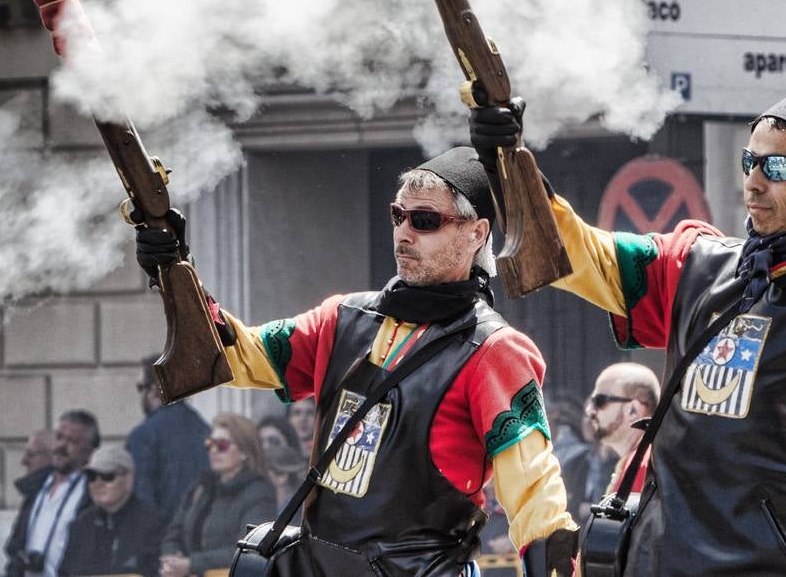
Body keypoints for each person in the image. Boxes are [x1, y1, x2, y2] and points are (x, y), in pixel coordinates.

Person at [471, 82, 786, 576]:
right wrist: (509, 166)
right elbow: (578, 254)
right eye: (751, 161)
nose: (755, 182)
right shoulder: (692, 263)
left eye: (780, 167)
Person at [136, 149, 578, 576]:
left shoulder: (496, 350)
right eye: (397, 216)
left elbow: (534, 492)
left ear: (476, 234)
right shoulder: (342, 317)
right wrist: (176, 273)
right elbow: (239, 356)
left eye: (425, 221)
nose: (404, 233)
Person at [158, 414, 275, 577]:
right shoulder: (202, 487)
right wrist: (172, 558)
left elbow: (249, 548)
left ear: (244, 451)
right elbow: (173, 532)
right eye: (210, 444)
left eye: (222, 445)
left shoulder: (259, 493)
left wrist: (191, 564)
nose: (213, 450)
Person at [4, 410, 99, 577]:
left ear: (88, 451)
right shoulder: (36, 488)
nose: (62, 445)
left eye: (72, 441)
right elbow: (15, 545)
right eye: (59, 437)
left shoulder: (92, 493)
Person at [57, 444, 164, 576]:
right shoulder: (80, 526)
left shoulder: (152, 524)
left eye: (107, 476)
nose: (98, 483)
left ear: (128, 479)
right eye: (91, 476)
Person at [125, 357, 209, 514]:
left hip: (162, 533)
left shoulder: (143, 435)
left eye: (140, 386)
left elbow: (142, 499)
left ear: (154, 391)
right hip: (199, 529)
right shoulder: (204, 428)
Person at [583, 362, 658, 495]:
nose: (589, 411)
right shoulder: (638, 462)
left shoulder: (643, 467)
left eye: (600, 401)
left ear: (633, 410)